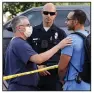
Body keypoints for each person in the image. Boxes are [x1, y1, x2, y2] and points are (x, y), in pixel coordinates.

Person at [4, 16, 72, 91]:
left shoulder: (15, 42)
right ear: (20, 28)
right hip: (22, 87)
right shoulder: (19, 43)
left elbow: (20, 65)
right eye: (28, 25)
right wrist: (59, 46)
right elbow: (39, 59)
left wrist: (36, 67)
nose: (30, 27)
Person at [27, 3, 67, 91]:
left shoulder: (61, 34)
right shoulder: (32, 32)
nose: (48, 16)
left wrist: (62, 78)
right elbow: (26, 54)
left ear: (55, 15)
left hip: (54, 78)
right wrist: (37, 67)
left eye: (51, 13)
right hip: (35, 76)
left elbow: (65, 56)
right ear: (42, 13)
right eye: (46, 13)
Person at [58, 9, 90, 90]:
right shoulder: (89, 36)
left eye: (68, 20)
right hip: (88, 84)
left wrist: (61, 79)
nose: (66, 22)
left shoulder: (69, 40)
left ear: (75, 21)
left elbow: (62, 68)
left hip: (74, 84)